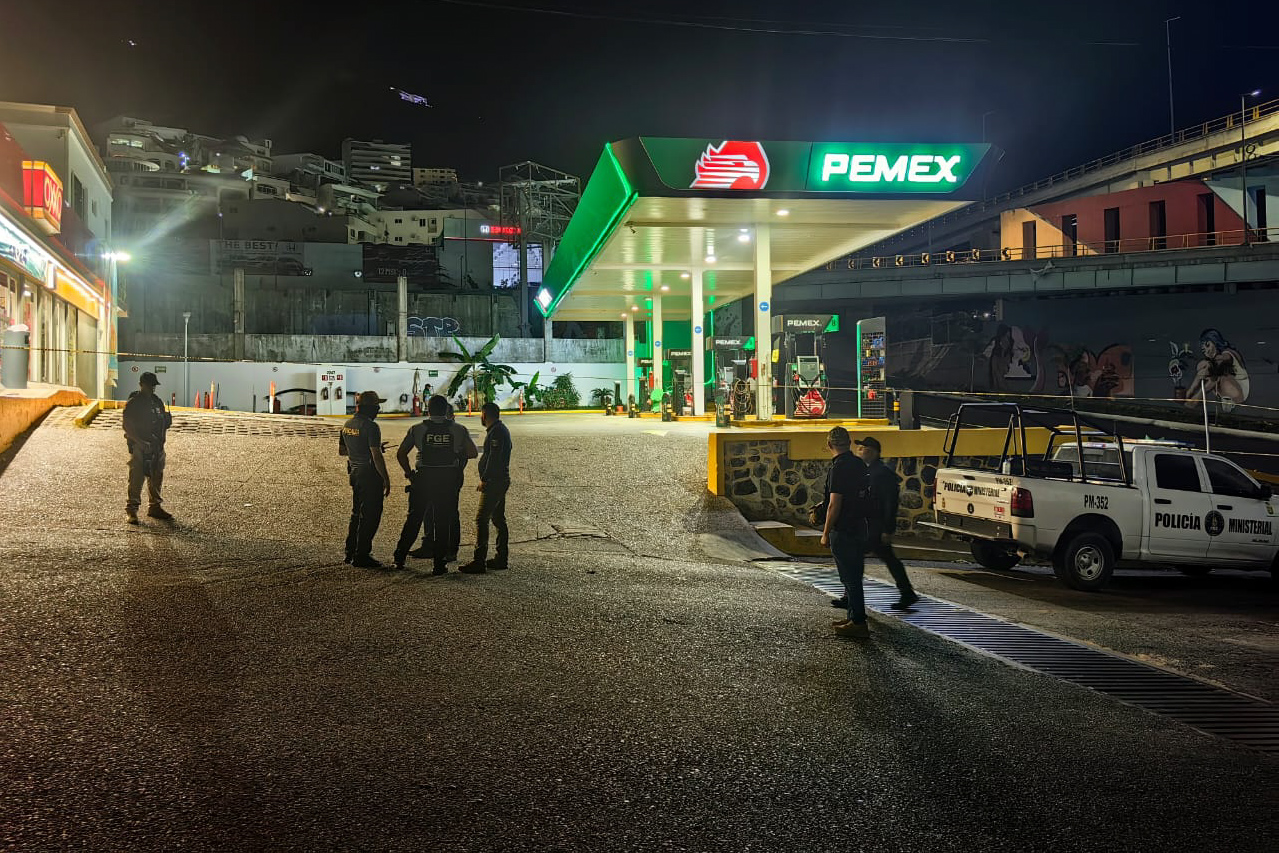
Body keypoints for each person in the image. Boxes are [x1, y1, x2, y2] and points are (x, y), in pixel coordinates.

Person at [831, 436, 919, 612]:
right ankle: (905, 592)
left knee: (856, 558)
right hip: (870, 524)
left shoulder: (881, 474)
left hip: (875, 526)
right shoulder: (870, 471)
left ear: (870, 452)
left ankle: (852, 598)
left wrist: (887, 529)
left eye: (862, 448)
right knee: (883, 558)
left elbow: (889, 503)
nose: (858, 451)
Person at [394, 395, 477, 573]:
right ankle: (439, 564)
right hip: (447, 479)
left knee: (414, 519)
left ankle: (399, 557)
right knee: (443, 521)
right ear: (446, 409)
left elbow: (401, 454)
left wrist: (410, 474)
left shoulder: (417, 429)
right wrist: (455, 453)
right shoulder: (459, 429)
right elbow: (472, 453)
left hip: (424, 478)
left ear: (428, 408)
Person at [819, 426, 874, 639]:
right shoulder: (859, 464)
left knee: (849, 578)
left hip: (844, 528)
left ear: (829, 445)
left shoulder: (839, 468)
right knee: (855, 575)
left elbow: (835, 503)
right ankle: (853, 617)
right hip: (860, 525)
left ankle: (858, 622)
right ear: (849, 443)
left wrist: (825, 532)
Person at [340, 390, 391, 568]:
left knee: (356, 514)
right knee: (370, 516)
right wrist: (386, 478)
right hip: (369, 475)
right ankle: (362, 554)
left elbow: (343, 450)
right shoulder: (371, 426)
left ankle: (350, 551)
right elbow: (376, 456)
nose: (378, 410)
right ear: (370, 408)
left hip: (355, 474)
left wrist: (361, 450)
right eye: (377, 407)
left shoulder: (348, 424)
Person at [459, 402, 512, 573]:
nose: (480, 417)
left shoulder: (497, 432)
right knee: (497, 519)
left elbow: (494, 459)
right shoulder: (498, 430)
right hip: (500, 481)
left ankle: (479, 561)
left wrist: (485, 479)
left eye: (481, 414)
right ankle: (501, 558)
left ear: (485, 415)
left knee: (482, 519)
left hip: (494, 482)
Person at [409, 403, 464, 563]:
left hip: (451, 478)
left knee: (450, 514)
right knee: (428, 511)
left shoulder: (457, 431)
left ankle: (450, 550)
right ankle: (429, 545)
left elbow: (467, 455)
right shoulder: (446, 430)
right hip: (433, 477)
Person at [122, 371, 174, 524]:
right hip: (140, 446)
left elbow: (163, 422)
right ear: (141, 385)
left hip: (156, 446)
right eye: (149, 385)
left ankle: (155, 506)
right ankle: (132, 510)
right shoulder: (134, 402)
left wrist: (161, 441)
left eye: (153, 386)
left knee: (156, 477)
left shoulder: (156, 401)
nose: (152, 388)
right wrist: (139, 442)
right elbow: (127, 425)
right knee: (137, 478)